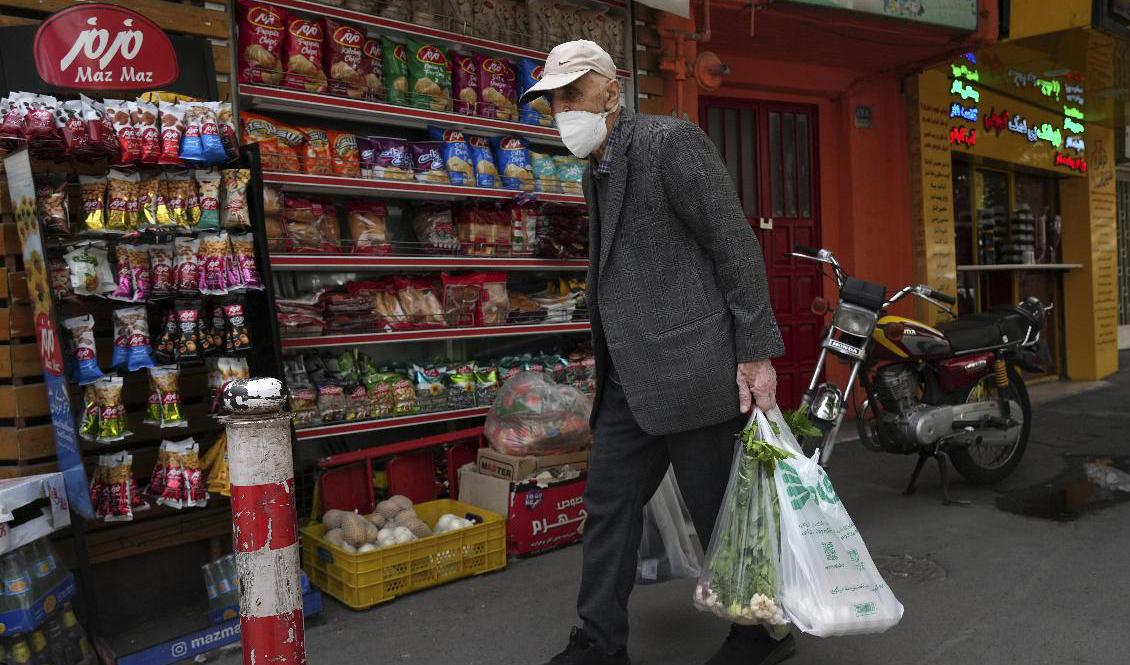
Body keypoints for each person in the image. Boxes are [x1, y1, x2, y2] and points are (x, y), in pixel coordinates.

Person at [518, 40, 794, 665]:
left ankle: (760, 632)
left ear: (611, 91)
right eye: (555, 101)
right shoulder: (599, 166)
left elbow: (736, 247)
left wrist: (754, 354)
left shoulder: (668, 145)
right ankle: (597, 641)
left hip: (695, 370)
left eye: (574, 95)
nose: (563, 111)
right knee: (607, 506)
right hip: (629, 381)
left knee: (720, 513)